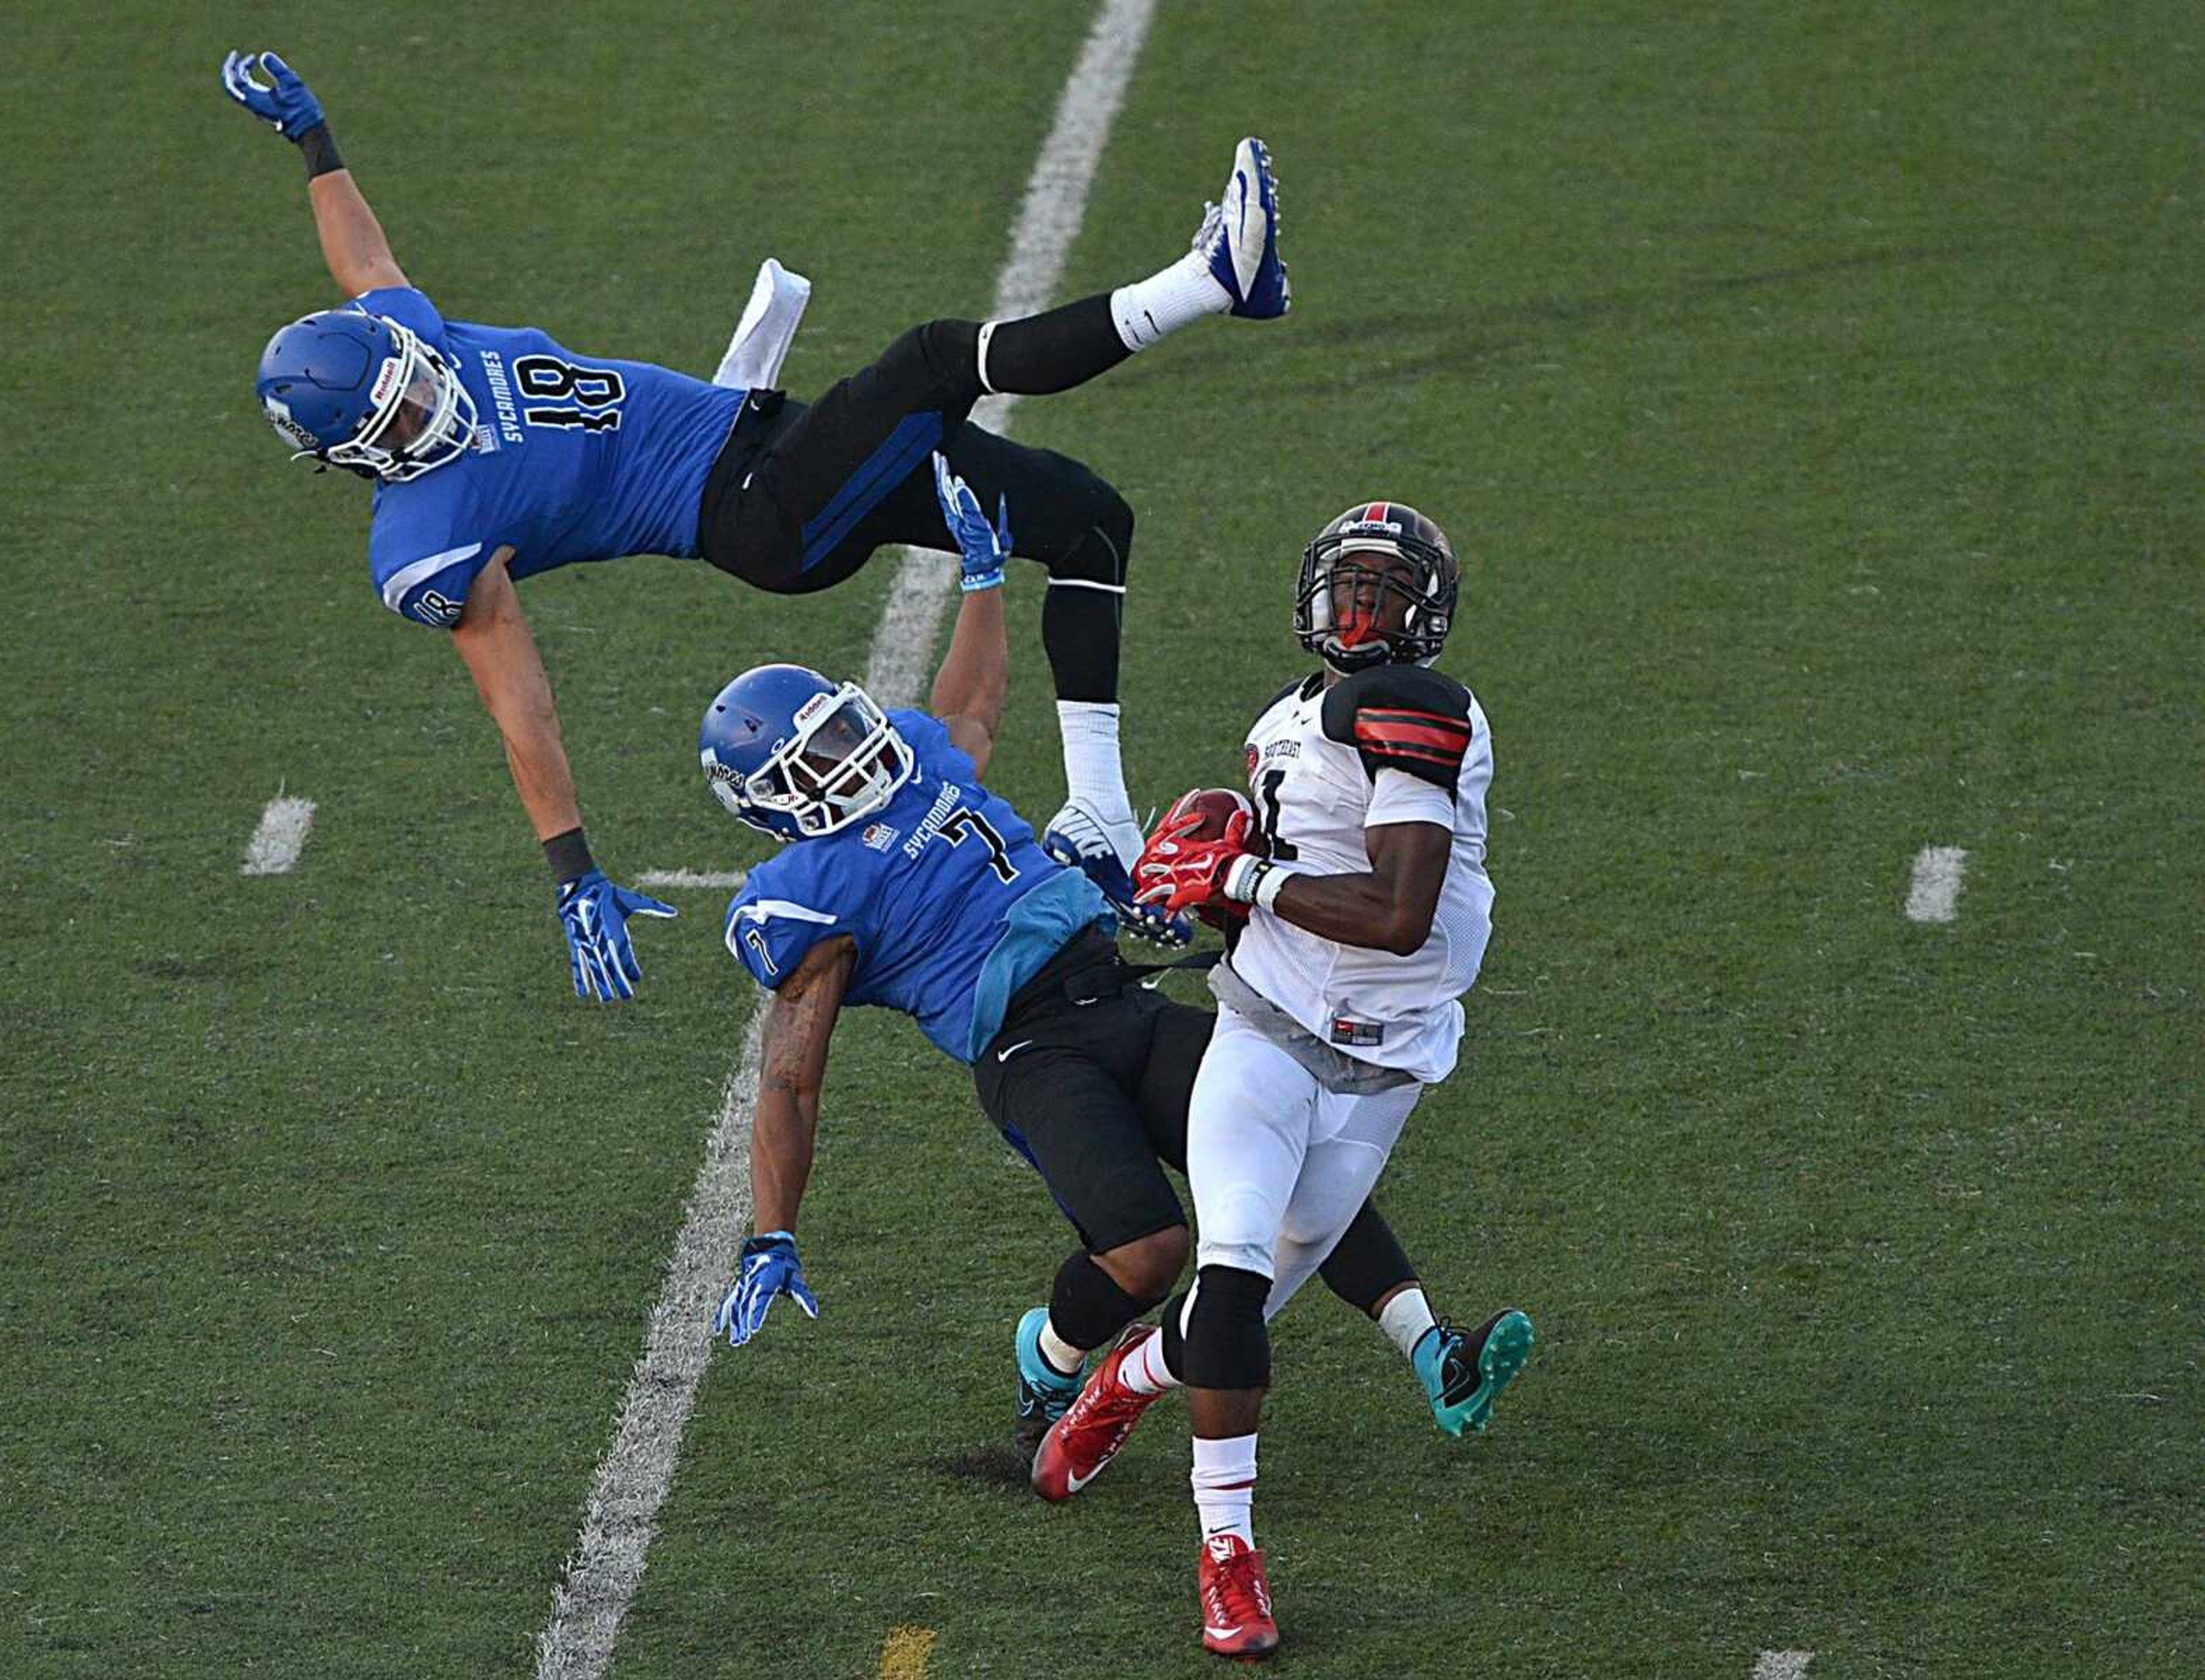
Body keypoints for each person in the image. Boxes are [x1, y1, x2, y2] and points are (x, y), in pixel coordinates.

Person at [221, 49, 1295, 1000]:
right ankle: (1207, 283)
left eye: (410, 382)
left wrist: (314, 141)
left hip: (768, 438)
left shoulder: (411, 330)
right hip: (761, 513)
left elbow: (365, 263)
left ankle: (1100, 819)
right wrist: (571, 866)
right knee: (928, 360)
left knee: (1088, 524)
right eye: (396, 417)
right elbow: (522, 703)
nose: (425, 404)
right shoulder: (428, 538)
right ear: (350, 457)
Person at [703, 464, 1487, 1470]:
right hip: (1030, 1049)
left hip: (1116, 989)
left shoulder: (911, 759)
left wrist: (983, 575)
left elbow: (972, 709)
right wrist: (774, 1228)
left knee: (1292, 1154)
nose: (846, 758)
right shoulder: (806, 892)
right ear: (767, 805)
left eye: (840, 732)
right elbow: (787, 1078)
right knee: (1149, 1252)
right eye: (809, 765)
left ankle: (1427, 1343)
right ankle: (1054, 1354)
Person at [1029, 501, 1537, 1659]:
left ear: (1428, 615)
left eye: (1385, 588)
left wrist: (1243, 878)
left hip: (1384, 1060)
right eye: (1346, 584)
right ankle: (1227, 1557)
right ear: (1312, 595)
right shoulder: (1281, 723)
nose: (1361, 606)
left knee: (1232, 1316)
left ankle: (1124, 1383)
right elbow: (1264, 876)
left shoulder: (1417, 707)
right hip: (1263, 1027)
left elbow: (1401, 917)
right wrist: (1201, 885)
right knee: (1234, 1264)